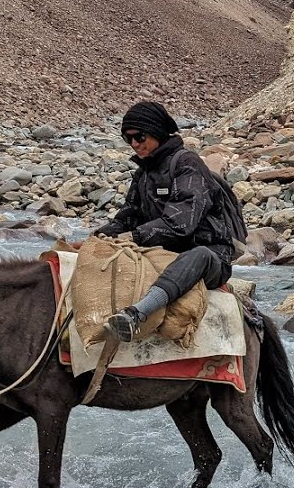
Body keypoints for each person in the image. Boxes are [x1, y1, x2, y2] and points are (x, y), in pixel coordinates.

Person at [95, 101, 235, 342]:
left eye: (139, 136)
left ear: (157, 132)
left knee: (198, 255)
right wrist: (100, 237)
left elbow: (181, 223)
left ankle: (137, 314)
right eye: (128, 139)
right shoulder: (144, 173)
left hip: (210, 258)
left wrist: (134, 237)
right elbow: (127, 216)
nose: (135, 144)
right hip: (163, 254)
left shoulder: (187, 164)